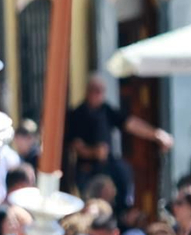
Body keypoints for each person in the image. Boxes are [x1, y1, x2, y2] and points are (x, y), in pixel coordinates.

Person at [65, 73, 173, 209]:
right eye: (95, 90)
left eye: (101, 91)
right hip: (87, 169)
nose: (98, 94)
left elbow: (130, 124)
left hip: (108, 165)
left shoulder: (106, 110)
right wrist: (92, 152)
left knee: (124, 176)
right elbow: (75, 145)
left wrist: (156, 134)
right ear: (87, 91)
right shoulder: (77, 114)